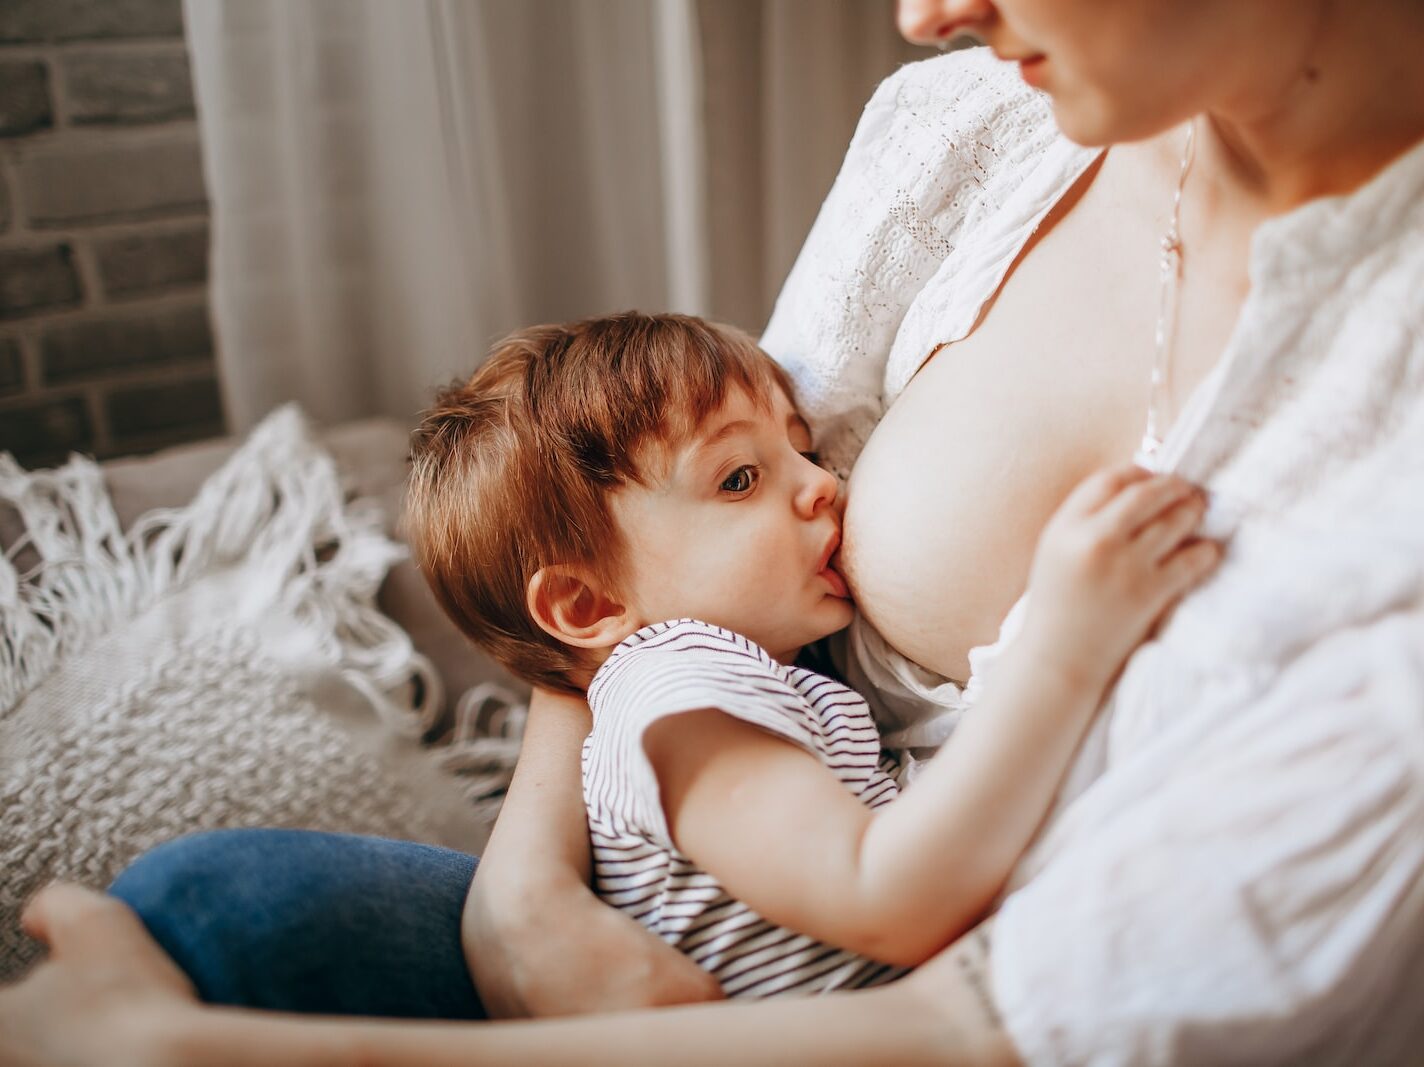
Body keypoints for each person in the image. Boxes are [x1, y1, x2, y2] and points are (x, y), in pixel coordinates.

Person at [3, 0, 1423, 1063]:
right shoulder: (974, 129)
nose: (925, 12)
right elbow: (641, 565)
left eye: (797, 461)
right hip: (779, 938)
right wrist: (528, 890)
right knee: (219, 903)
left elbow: (978, 999)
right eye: (767, 475)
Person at [403, 311, 1217, 998]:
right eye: (739, 479)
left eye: (802, 449)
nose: (822, 483)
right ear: (589, 606)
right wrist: (1063, 646)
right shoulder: (680, 690)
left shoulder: (728, 679)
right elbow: (885, 896)